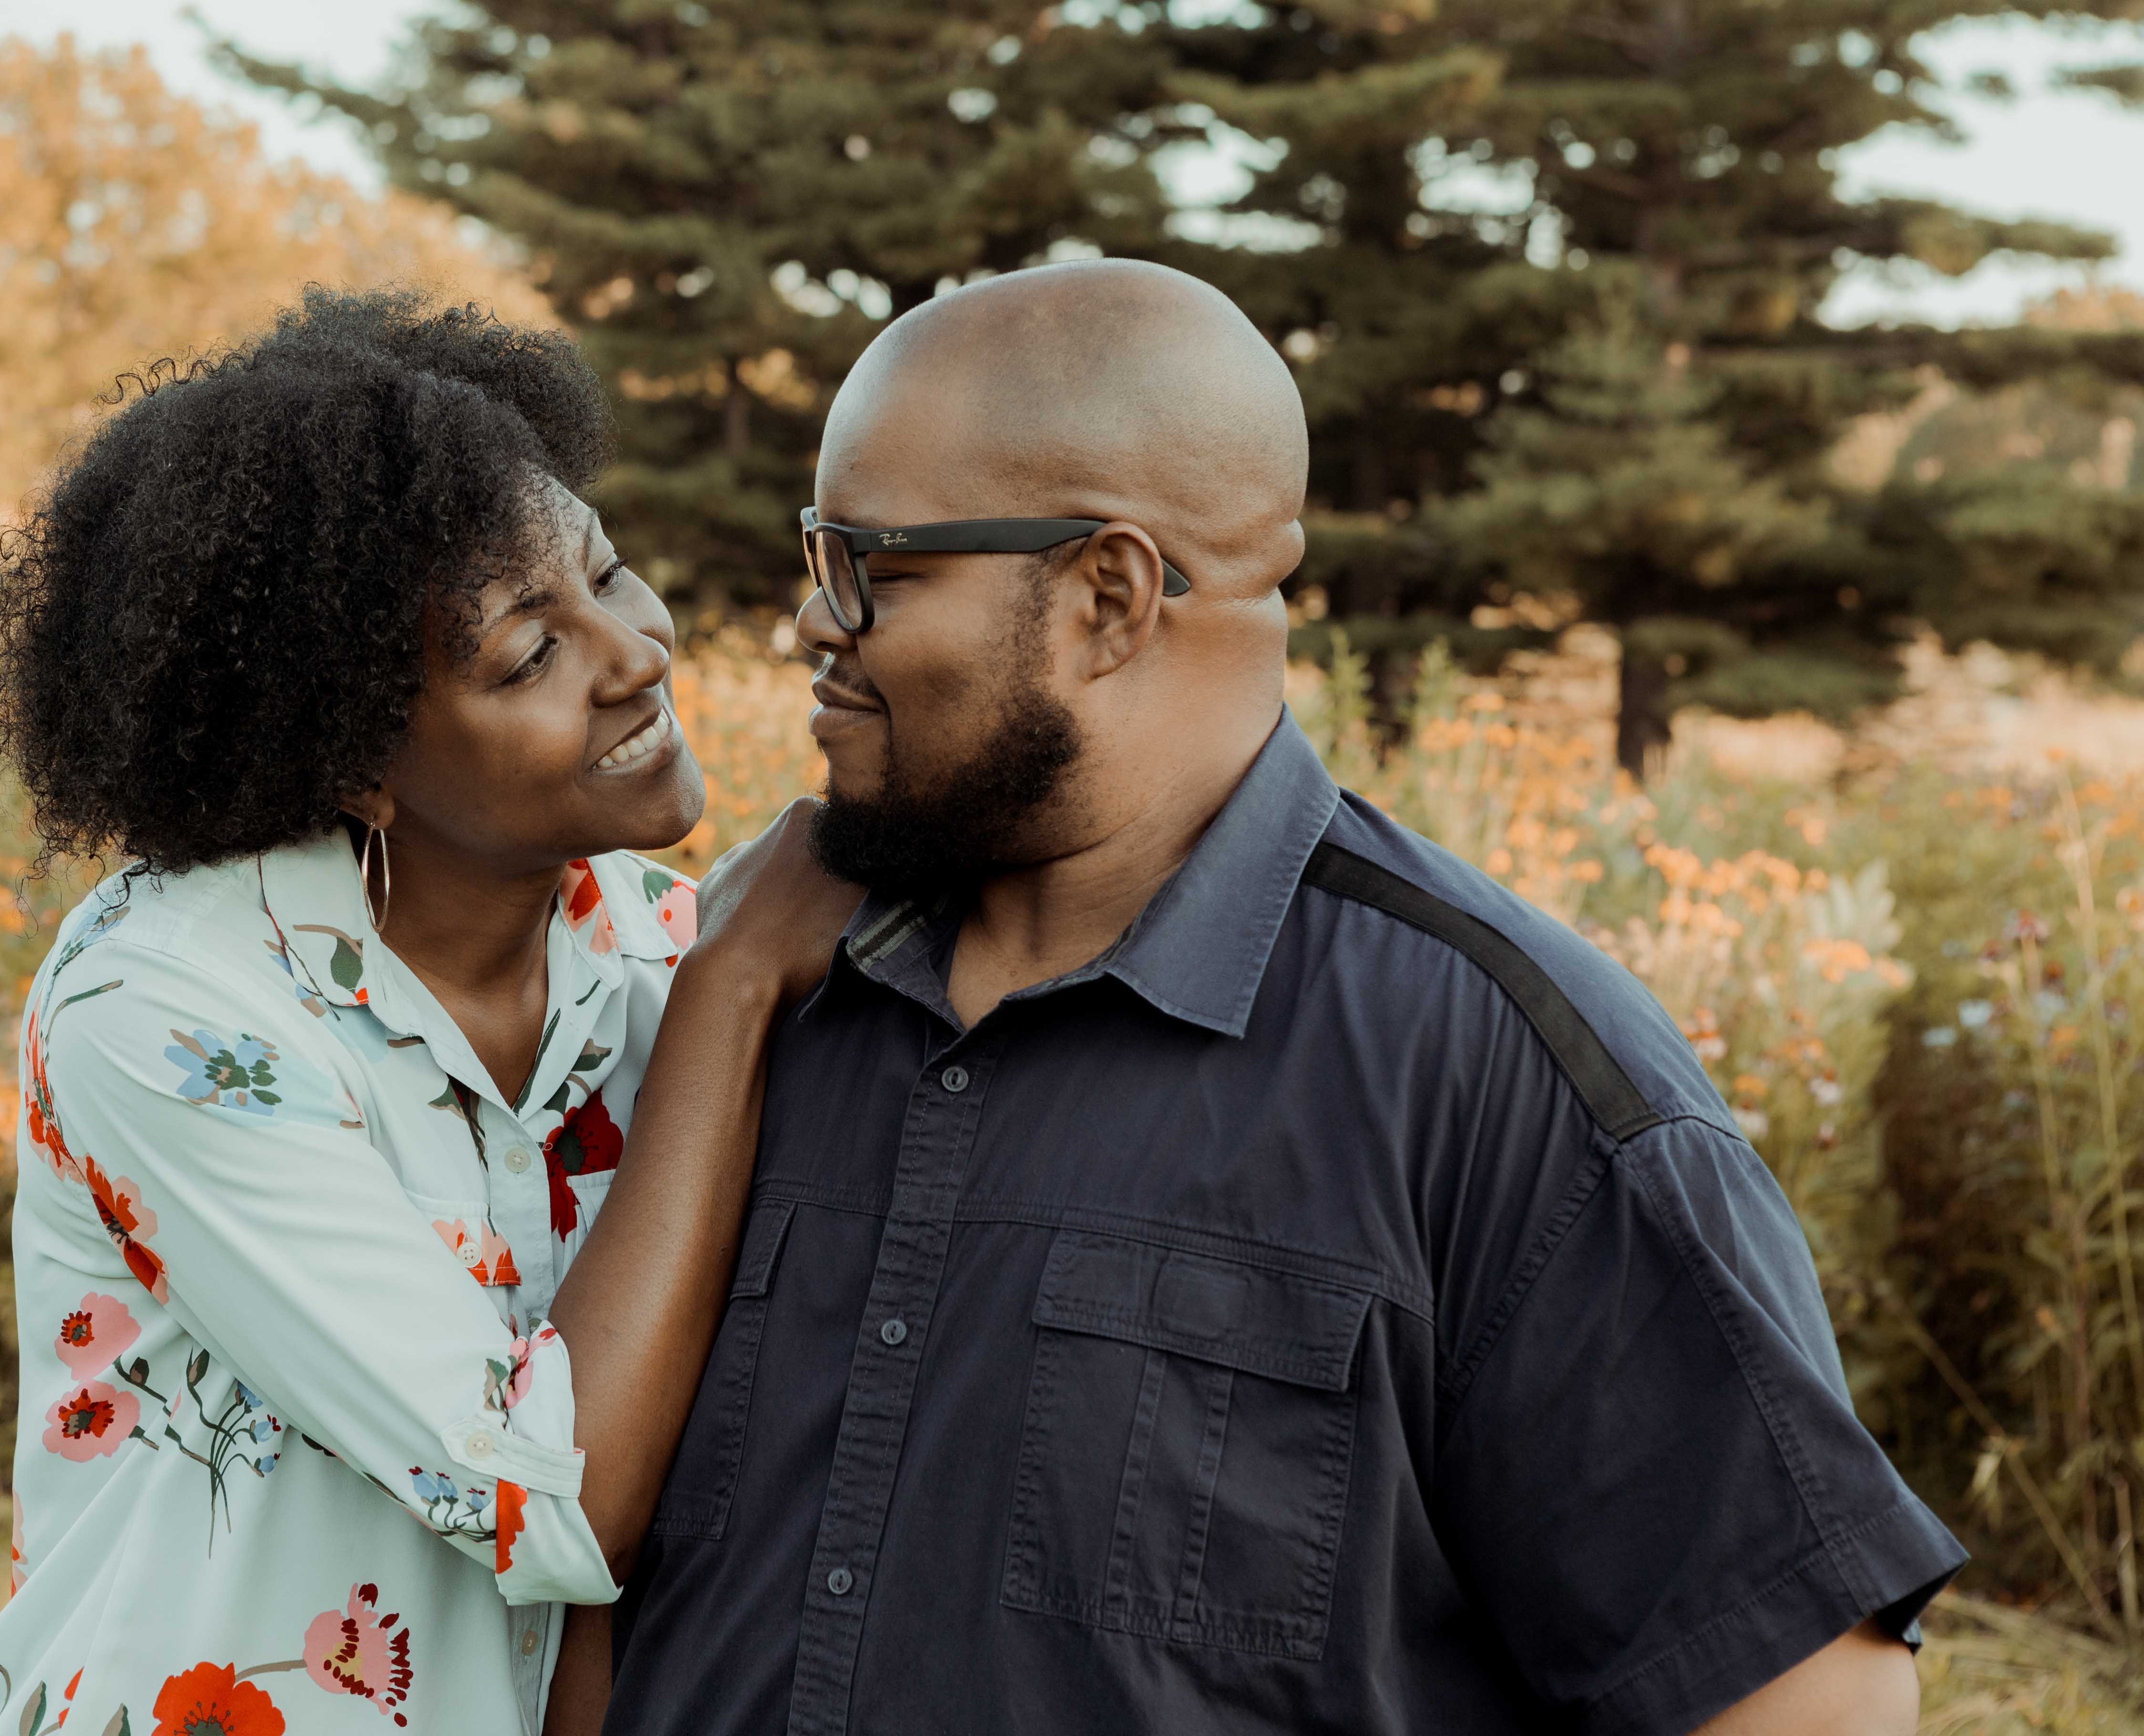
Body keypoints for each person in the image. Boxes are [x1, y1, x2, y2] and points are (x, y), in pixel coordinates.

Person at [602, 260, 1965, 1736]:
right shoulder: (757, 991)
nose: (814, 623)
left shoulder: (1506, 1083)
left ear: (1106, 598)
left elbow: (1806, 1709)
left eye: (869, 563)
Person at [0, 288, 852, 1736]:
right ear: (348, 753)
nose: (633, 656)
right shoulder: (168, 1008)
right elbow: (551, 1505)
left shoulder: (653, 947)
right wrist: (732, 996)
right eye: (528, 653)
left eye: (608, 578)